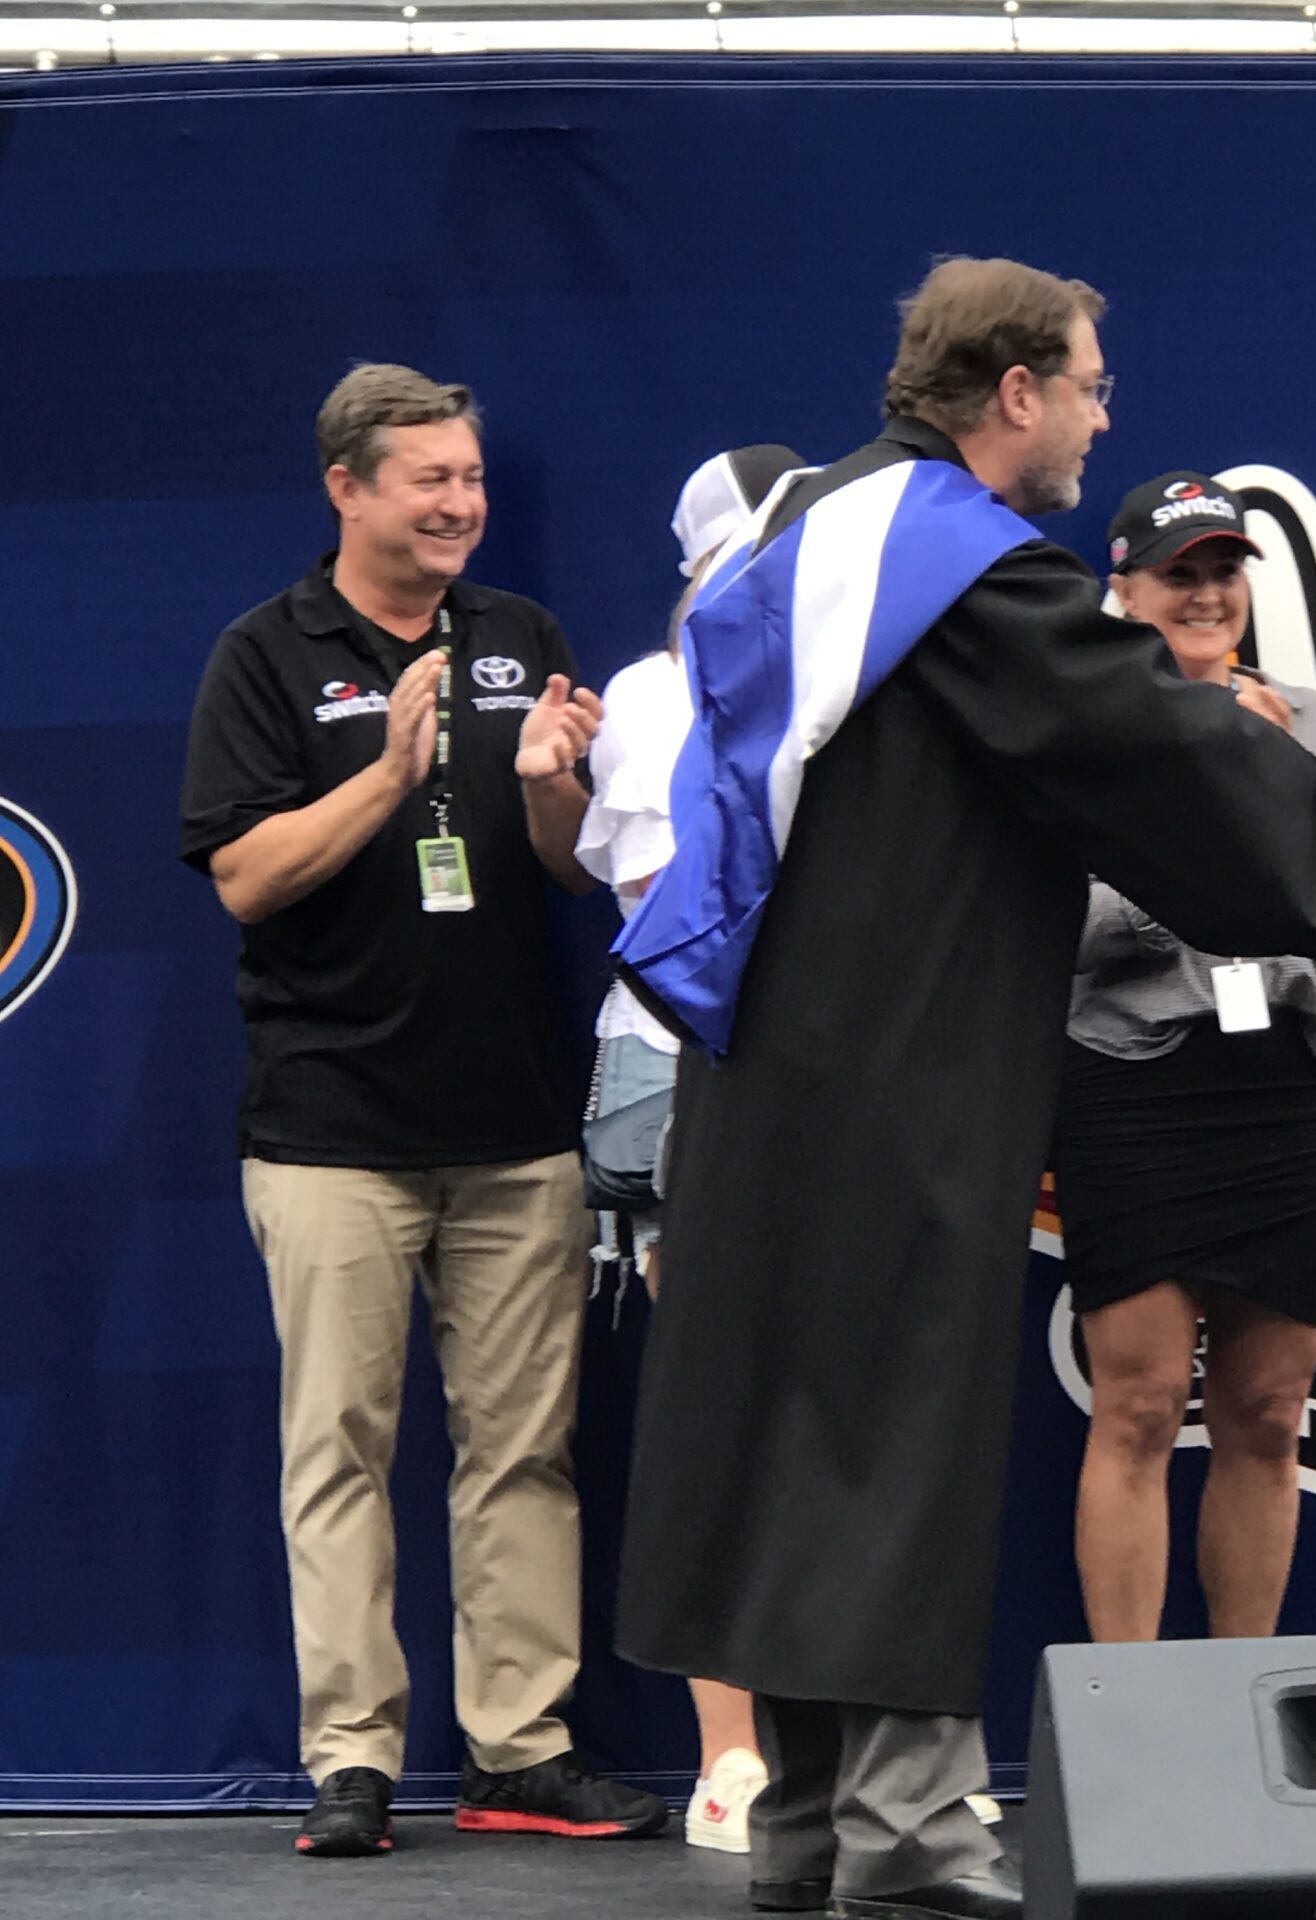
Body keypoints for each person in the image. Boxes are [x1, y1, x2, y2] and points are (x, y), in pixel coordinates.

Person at [612, 260, 1316, 1920]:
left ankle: (812, 1832)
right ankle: (906, 1842)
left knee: (805, 1438)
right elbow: (1139, 740)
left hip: (777, 1069)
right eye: (1091, 387)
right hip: (896, 1073)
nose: (1102, 421)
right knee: (892, 1437)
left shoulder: (814, 531)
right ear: (1015, 390)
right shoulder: (952, 565)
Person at [177, 363, 667, 1858]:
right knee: (338, 1450)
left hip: (515, 1122)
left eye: (471, 478)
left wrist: (553, 787)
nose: (461, 504)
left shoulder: (521, 637)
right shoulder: (268, 654)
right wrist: (389, 774)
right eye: (430, 480)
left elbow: (571, 870)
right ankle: (353, 1760)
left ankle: (520, 1750)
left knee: (525, 1452)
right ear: (347, 488)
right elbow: (245, 878)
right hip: (330, 1129)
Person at [1056, 471, 1316, 1643]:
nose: (1205, 594)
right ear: (1123, 589)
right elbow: (1065, 926)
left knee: (1270, 1413)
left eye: (1223, 571)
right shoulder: (1078, 736)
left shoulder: (1309, 722)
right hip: (1135, 1086)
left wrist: (1284, 776)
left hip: (1287, 1086)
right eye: (1177, 574)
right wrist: (1222, 820)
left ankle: (1243, 1702)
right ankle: (1128, 1715)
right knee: (1137, 1406)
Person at [575, 443, 807, 1853]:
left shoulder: (846, 681)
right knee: (727, 1407)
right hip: (689, 1072)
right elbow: (673, 906)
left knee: (843, 1418)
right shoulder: (658, 694)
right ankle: (732, 1755)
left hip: (833, 1078)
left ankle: (855, 1751)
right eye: (768, 540)